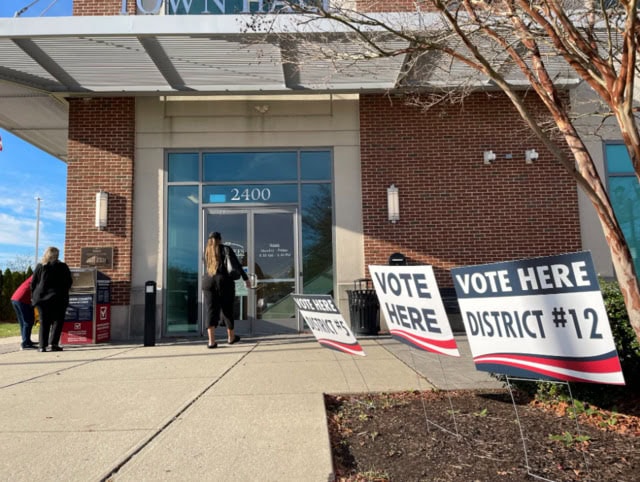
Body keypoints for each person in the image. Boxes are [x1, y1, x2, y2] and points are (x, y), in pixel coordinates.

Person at [202, 231, 250, 349]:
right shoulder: (226, 249)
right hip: (224, 281)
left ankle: (211, 342)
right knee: (227, 309)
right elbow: (237, 265)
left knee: (211, 310)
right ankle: (230, 337)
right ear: (220, 239)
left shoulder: (207, 251)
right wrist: (246, 279)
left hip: (208, 281)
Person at [30, 247, 73, 352]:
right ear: (57, 255)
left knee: (44, 321)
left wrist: (33, 296)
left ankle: (42, 346)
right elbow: (69, 282)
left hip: (41, 298)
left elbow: (33, 283)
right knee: (57, 321)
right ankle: (54, 344)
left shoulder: (40, 266)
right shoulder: (62, 267)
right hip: (59, 298)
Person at [11, 275, 36, 350]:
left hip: (16, 298)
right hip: (22, 300)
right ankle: (25, 343)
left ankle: (26, 340)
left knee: (23, 322)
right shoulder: (39, 276)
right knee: (28, 321)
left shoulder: (34, 276)